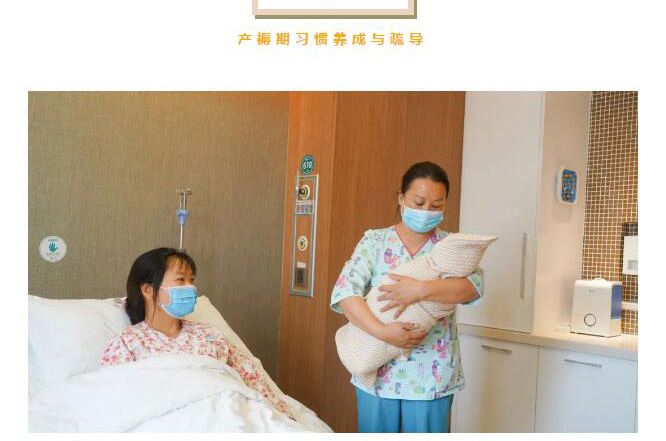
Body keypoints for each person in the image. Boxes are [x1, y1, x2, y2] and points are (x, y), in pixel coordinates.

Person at [330, 161, 484, 433]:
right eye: (419, 202)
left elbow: (472, 288)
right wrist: (383, 332)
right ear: (401, 198)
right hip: (377, 370)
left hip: (431, 374)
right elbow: (345, 293)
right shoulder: (375, 242)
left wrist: (420, 289)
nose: (426, 212)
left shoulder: (451, 247)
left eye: (436, 206)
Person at [100, 247, 292, 418]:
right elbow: (114, 398)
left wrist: (281, 415)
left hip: (228, 412)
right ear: (148, 290)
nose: (190, 287)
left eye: (191, 280)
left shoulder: (210, 334)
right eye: (180, 279)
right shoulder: (128, 342)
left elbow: (250, 375)